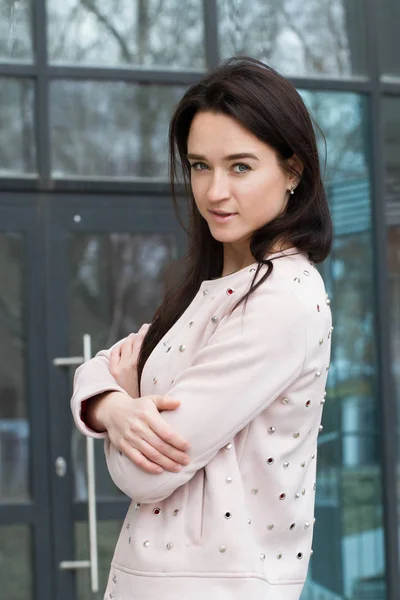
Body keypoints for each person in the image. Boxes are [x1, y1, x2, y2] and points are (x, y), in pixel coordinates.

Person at [71, 56, 333, 600]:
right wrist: (116, 407)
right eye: (199, 166)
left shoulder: (281, 299)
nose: (214, 192)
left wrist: (124, 396)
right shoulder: (215, 286)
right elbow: (98, 368)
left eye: (240, 166)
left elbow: (147, 473)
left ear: (292, 170)